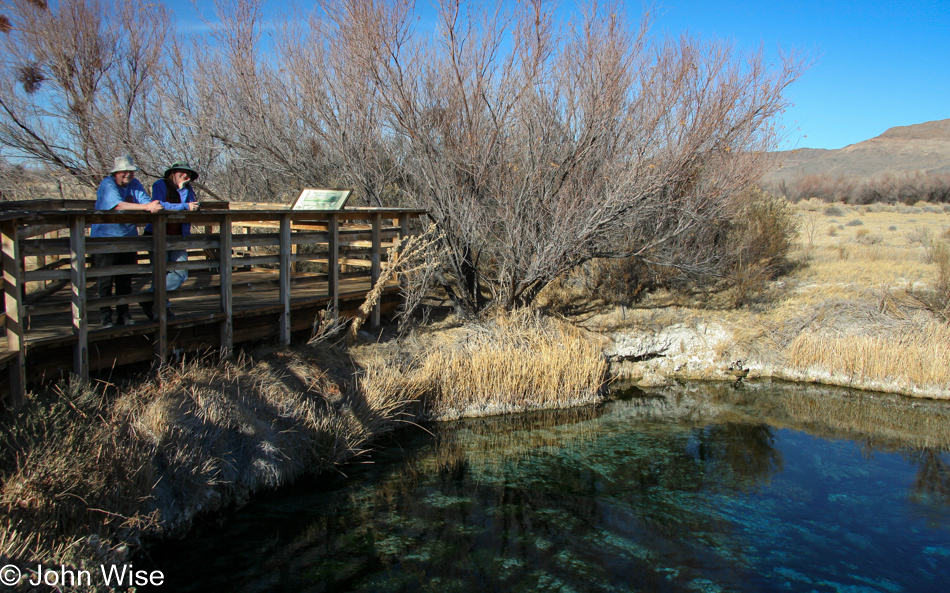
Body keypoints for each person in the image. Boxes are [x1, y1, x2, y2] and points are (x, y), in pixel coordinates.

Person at [92, 155, 164, 328]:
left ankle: (123, 313)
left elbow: (146, 201)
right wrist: (147, 207)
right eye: (124, 172)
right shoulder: (107, 184)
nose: (128, 175)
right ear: (116, 173)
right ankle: (106, 315)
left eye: (131, 171)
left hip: (128, 238)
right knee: (105, 280)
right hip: (105, 239)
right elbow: (117, 205)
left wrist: (153, 205)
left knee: (125, 278)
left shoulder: (135, 184)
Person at [141, 161, 200, 320]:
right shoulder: (159, 185)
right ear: (172, 173)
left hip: (177, 235)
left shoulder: (187, 189)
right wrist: (185, 205)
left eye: (188, 174)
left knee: (181, 272)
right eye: (181, 172)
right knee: (161, 272)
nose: (186, 176)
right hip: (158, 234)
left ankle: (150, 299)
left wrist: (183, 191)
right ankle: (163, 309)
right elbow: (159, 205)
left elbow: (192, 205)